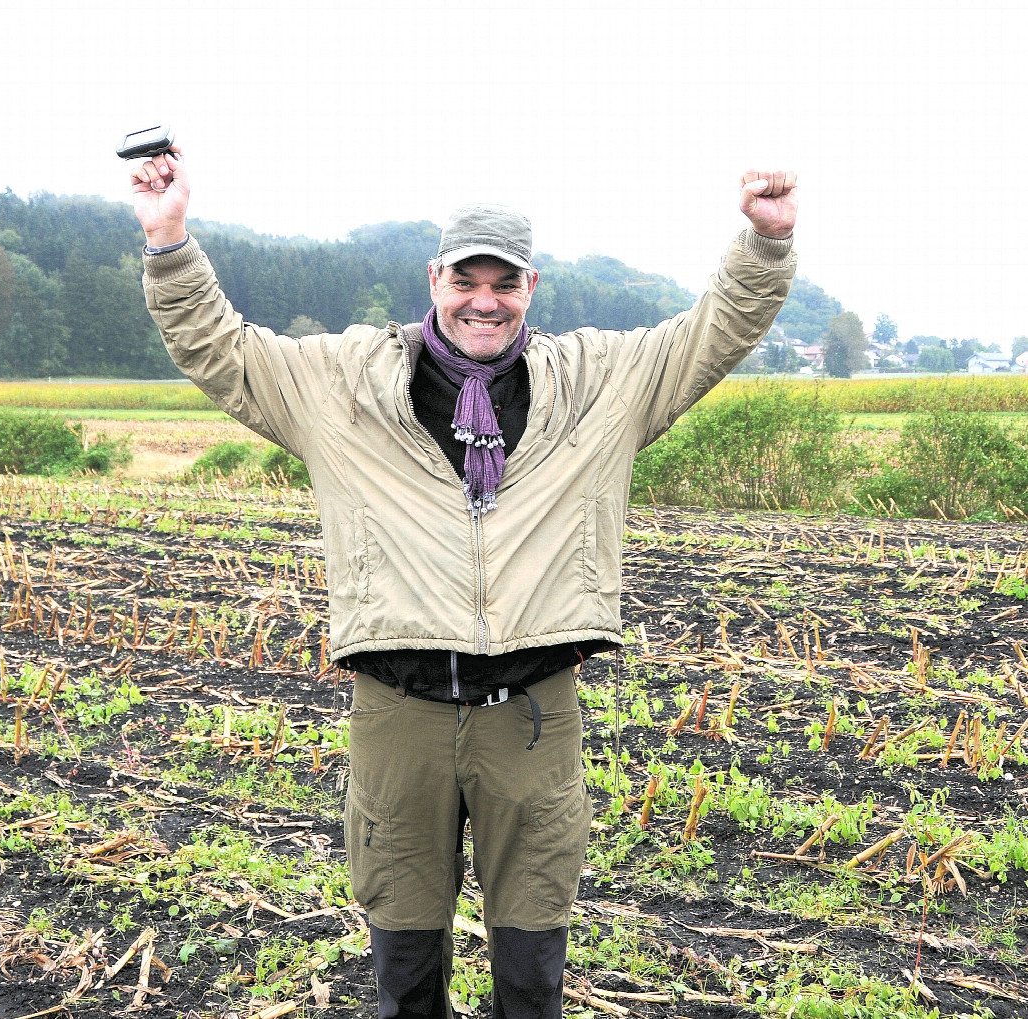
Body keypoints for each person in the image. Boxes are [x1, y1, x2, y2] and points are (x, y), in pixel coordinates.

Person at [130, 148, 798, 1019]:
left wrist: (764, 242)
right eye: (466, 278)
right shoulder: (342, 384)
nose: (484, 300)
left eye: (504, 282)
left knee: (531, 968)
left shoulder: (598, 382)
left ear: (531, 287)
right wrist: (168, 238)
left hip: (532, 714)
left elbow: (713, 330)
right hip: (397, 710)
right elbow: (219, 349)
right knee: (403, 965)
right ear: (434, 278)